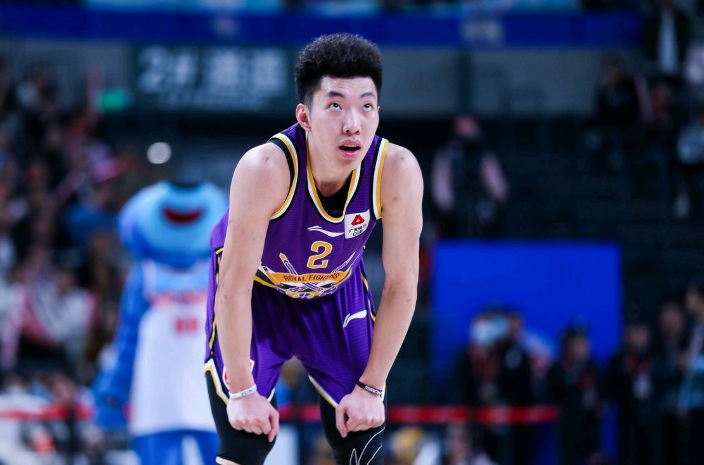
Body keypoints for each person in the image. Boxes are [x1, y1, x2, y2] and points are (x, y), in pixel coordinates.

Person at [205, 33, 423, 465]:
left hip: (335, 295)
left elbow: (402, 285)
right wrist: (244, 392)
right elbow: (233, 287)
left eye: (367, 106)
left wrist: (372, 386)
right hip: (258, 296)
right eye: (336, 106)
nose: (353, 124)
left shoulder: (396, 169)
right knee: (244, 443)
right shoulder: (265, 168)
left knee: (363, 441)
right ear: (305, 116)